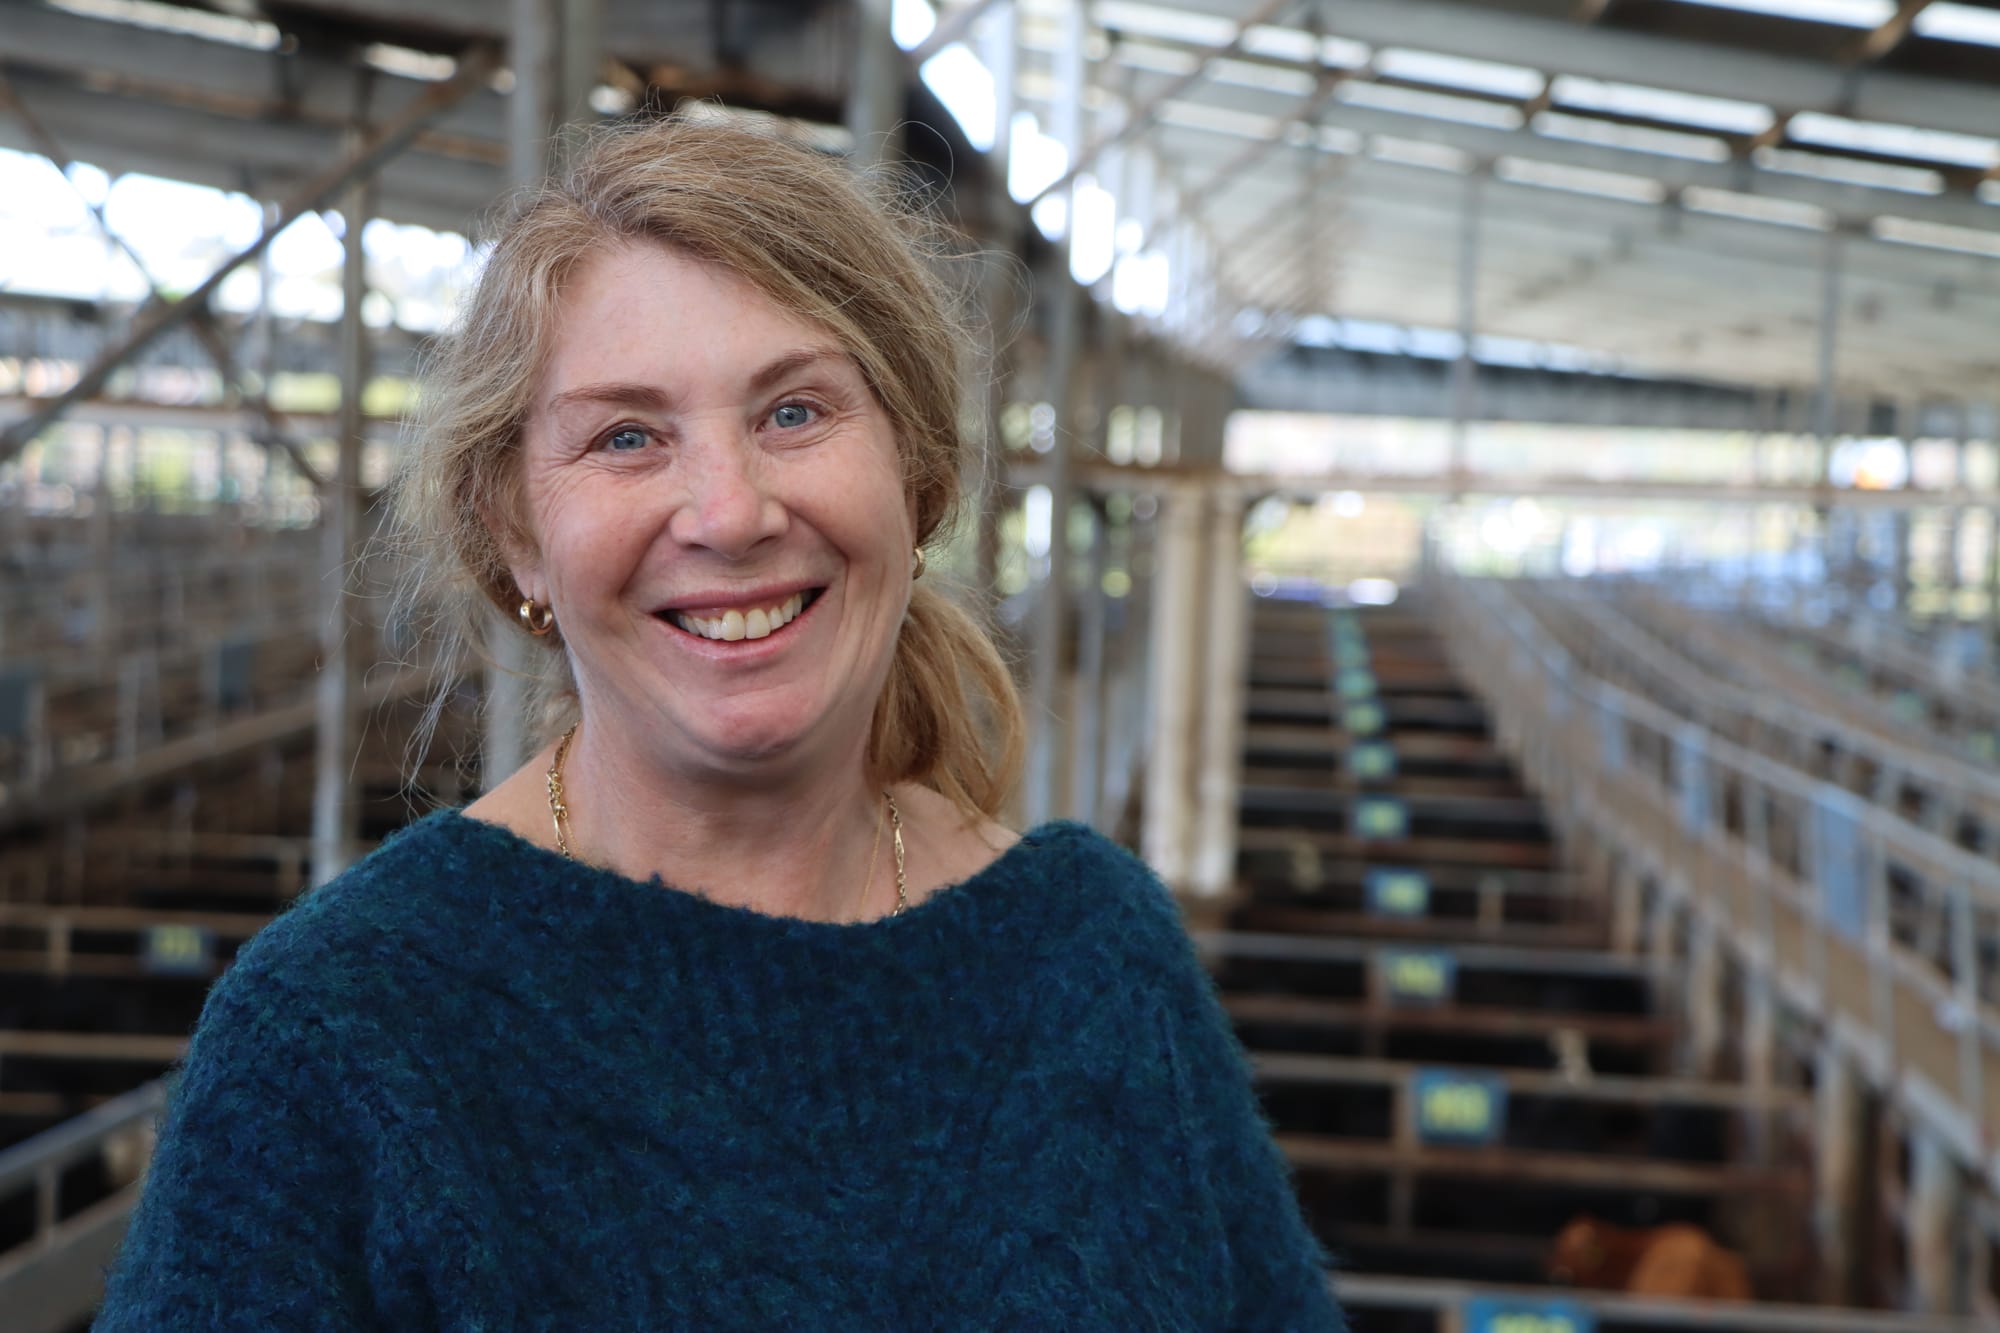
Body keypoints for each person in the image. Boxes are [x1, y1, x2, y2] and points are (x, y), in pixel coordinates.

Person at [95, 111, 1346, 1331]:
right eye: (627, 437)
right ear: (517, 531)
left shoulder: (1093, 958)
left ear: (914, 477)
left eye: (793, 412)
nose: (728, 512)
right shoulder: (338, 1032)